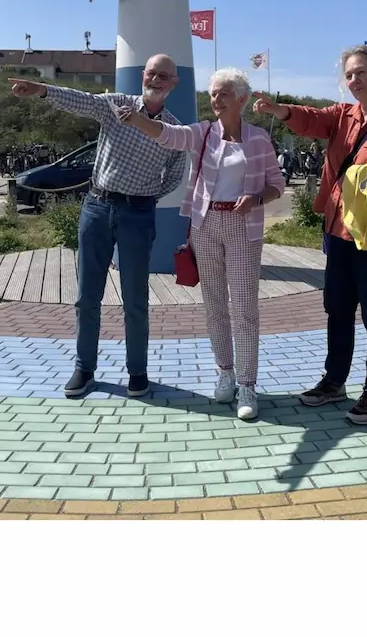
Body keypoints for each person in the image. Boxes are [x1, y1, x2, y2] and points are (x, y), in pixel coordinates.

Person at [253, 45, 367, 425]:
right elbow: (312, 119)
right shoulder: (342, 116)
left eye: (361, 73)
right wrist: (278, 110)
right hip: (338, 231)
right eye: (349, 75)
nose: (354, 81)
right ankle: (334, 382)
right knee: (337, 309)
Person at [9, 56, 187, 400]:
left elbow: (175, 177)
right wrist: (43, 91)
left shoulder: (173, 130)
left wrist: (143, 197)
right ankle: (84, 368)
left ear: (174, 83)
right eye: (152, 73)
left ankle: (137, 372)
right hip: (97, 206)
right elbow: (82, 101)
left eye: (165, 75)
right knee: (87, 295)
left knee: (136, 298)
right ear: (142, 75)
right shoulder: (115, 105)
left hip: (138, 214)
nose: (157, 79)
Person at [119, 68, 285, 421]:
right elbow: (168, 135)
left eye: (223, 93)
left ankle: (247, 385)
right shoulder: (202, 133)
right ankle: (225, 372)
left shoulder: (257, 139)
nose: (216, 99)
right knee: (213, 304)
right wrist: (136, 120)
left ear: (241, 98)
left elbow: (276, 184)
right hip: (204, 225)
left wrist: (256, 198)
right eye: (212, 93)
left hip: (243, 227)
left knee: (244, 309)